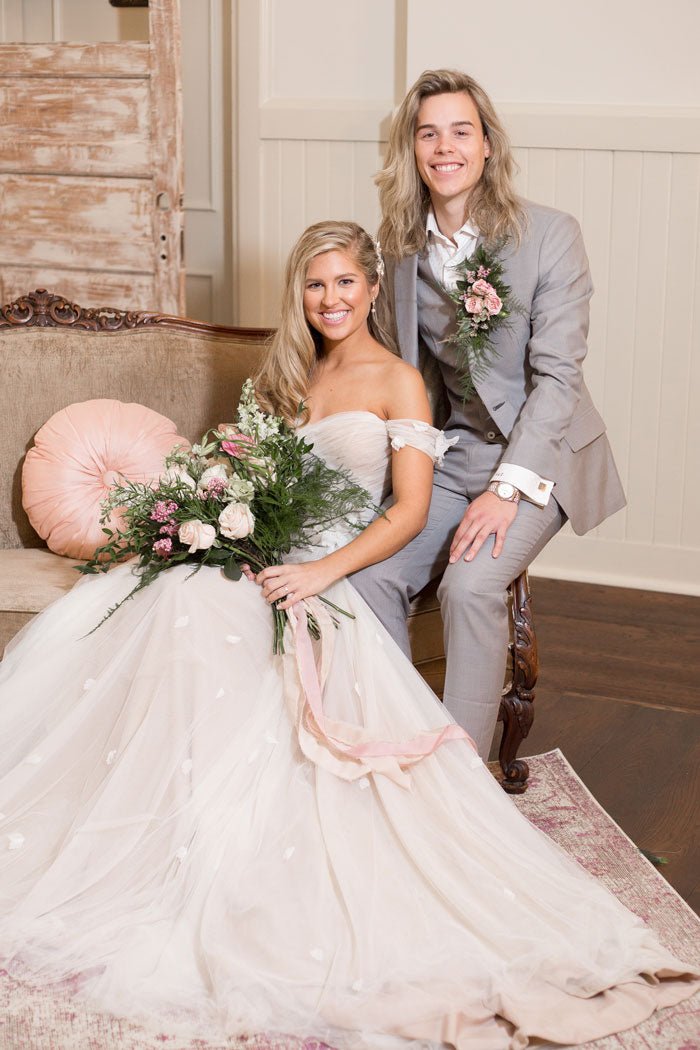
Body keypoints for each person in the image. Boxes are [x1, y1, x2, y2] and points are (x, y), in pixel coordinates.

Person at [0, 221, 696, 1050]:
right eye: (313, 286)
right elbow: (257, 483)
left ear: (371, 289)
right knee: (176, 598)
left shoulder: (400, 382)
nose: (329, 300)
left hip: (323, 575)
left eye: (344, 284)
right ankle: (166, 828)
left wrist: (324, 574)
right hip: (266, 560)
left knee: (203, 613)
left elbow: (406, 511)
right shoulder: (290, 378)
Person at [352, 70, 626, 759]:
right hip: (454, 452)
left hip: (540, 457)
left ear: (487, 147)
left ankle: (460, 775)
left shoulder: (551, 235)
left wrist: (507, 491)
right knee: (370, 574)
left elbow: (558, 380)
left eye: (461, 131)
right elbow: (403, 376)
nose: (445, 147)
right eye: (428, 133)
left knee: (471, 586)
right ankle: (401, 740)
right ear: (412, 151)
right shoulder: (400, 248)